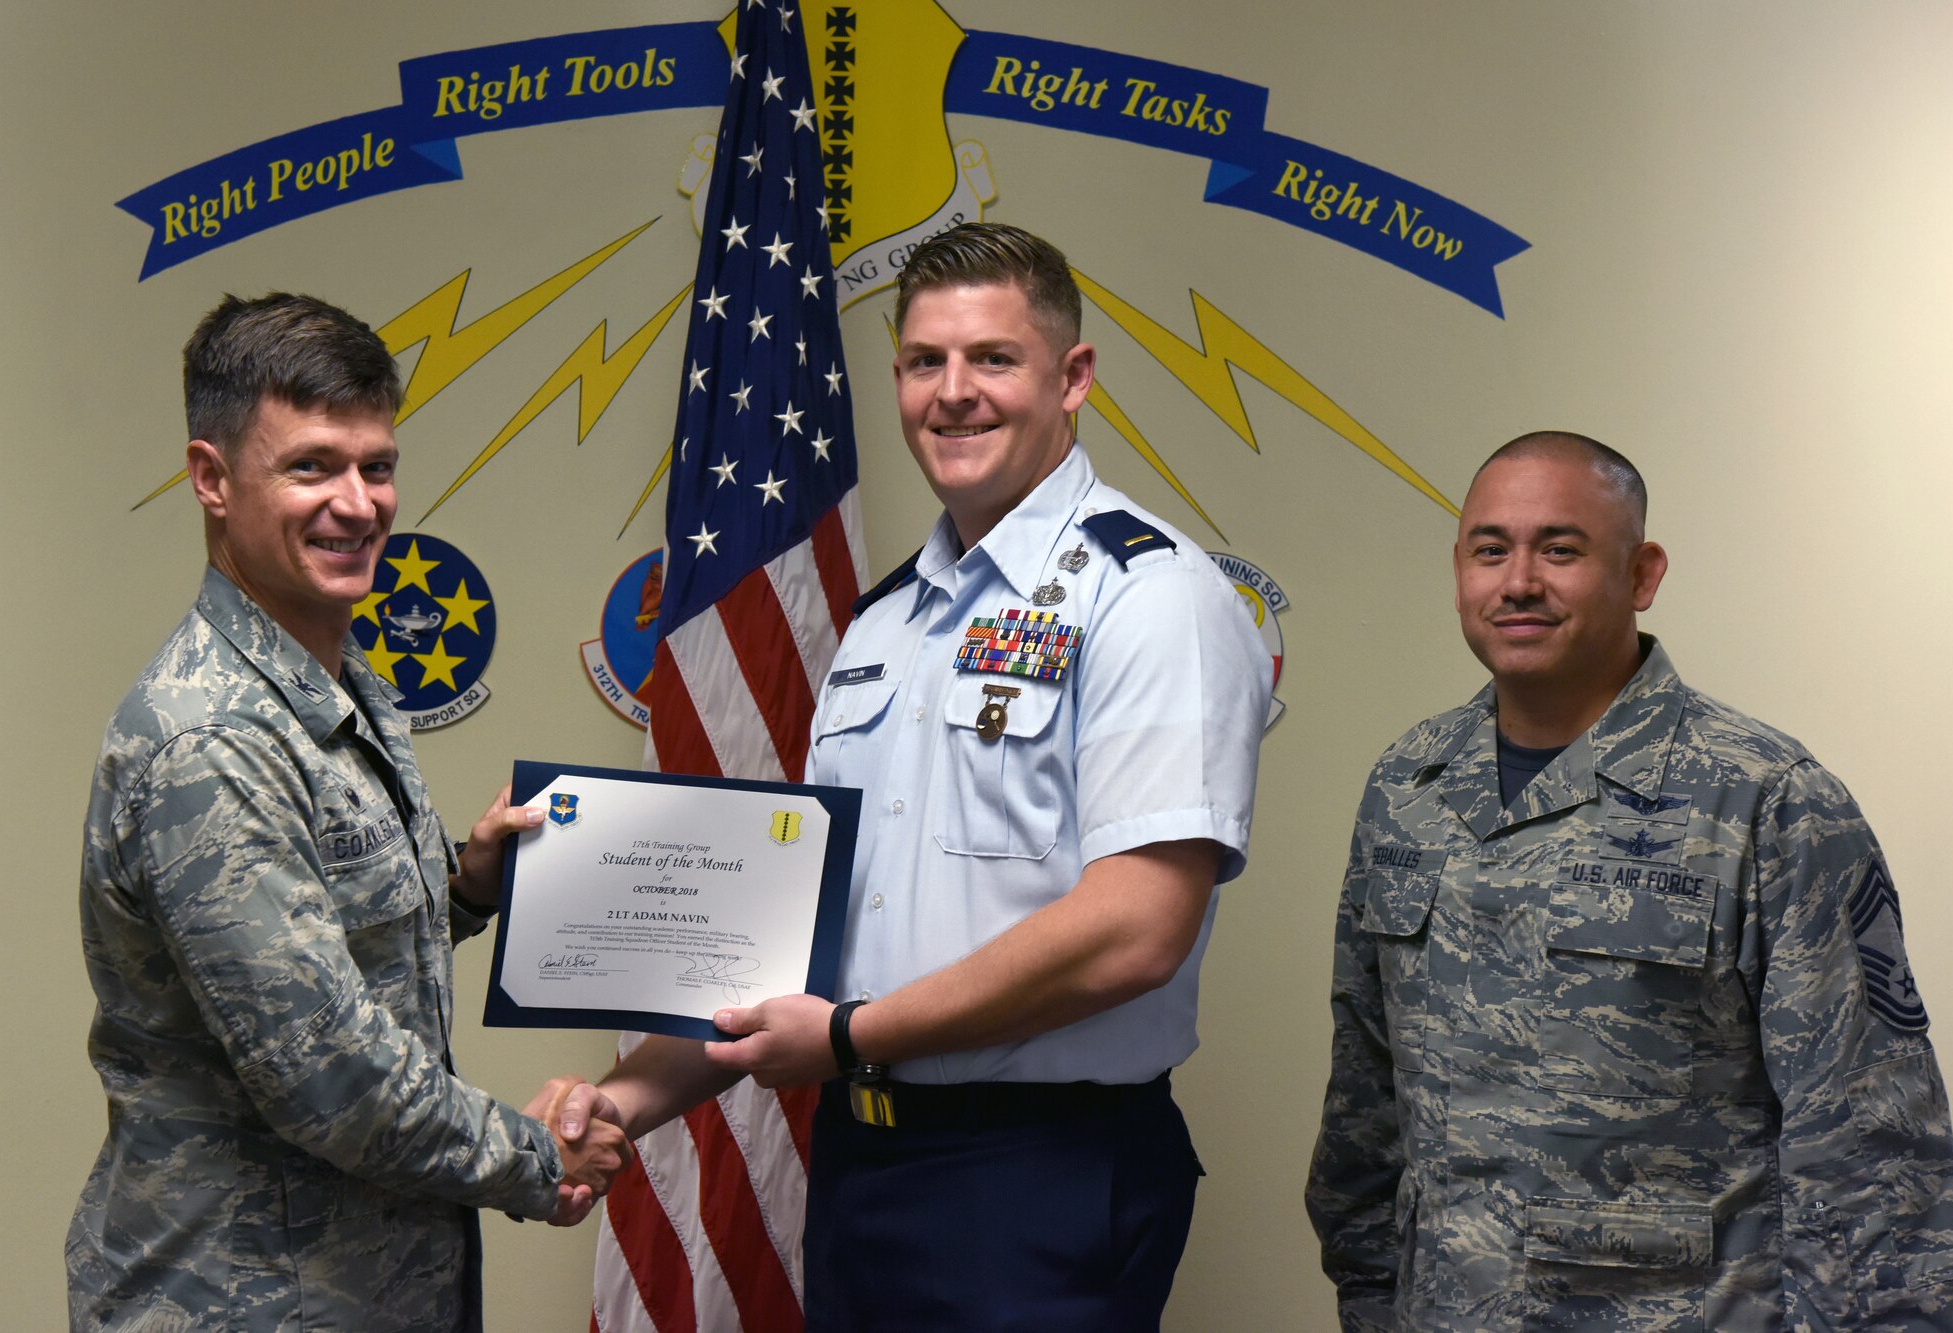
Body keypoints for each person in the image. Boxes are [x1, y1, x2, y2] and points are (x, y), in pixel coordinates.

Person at [550, 222, 1272, 1330]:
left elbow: (1136, 928)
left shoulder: (1144, 595)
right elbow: (787, 941)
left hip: (1039, 1175)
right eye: (924, 361)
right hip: (865, 1170)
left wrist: (845, 1037)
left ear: (1071, 377)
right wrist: (618, 1102)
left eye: (992, 358)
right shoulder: (886, 620)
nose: (954, 393)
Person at [1305, 432, 1953, 1330]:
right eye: (1490, 549)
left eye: (1562, 548)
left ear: (1642, 573)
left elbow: (1872, 1140)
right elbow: (1366, 1091)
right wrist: (1370, 1294)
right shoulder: (1407, 786)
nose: (1519, 581)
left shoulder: (1765, 798)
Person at [68, 293, 631, 1332]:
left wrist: (467, 883)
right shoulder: (214, 741)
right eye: (312, 466)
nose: (359, 502)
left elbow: (331, 941)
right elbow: (332, 1075)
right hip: (243, 1300)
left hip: (368, 1288)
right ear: (211, 478)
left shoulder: (341, 680)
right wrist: (538, 1156)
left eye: (376, 465)